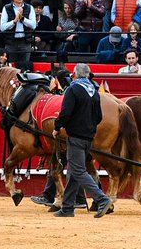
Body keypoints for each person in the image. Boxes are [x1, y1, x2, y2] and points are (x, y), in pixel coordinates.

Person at [52, 62, 113, 218]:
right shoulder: (95, 90)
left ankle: (102, 199)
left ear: (76, 74)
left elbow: (65, 113)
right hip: (89, 138)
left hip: (76, 137)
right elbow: (98, 117)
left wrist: (57, 127)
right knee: (74, 170)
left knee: (78, 170)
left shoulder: (73, 89)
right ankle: (67, 208)